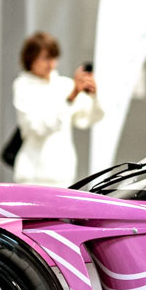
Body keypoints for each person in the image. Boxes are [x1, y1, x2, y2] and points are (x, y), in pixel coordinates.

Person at [12, 32, 102, 187]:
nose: (51, 64)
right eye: (45, 58)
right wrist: (70, 99)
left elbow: (87, 119)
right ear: (31, 58)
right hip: (33, 176)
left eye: (54, 58)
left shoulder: (64, 85)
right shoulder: (23, 86)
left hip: (62, 174)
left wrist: (93, 96)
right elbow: (38, 129)